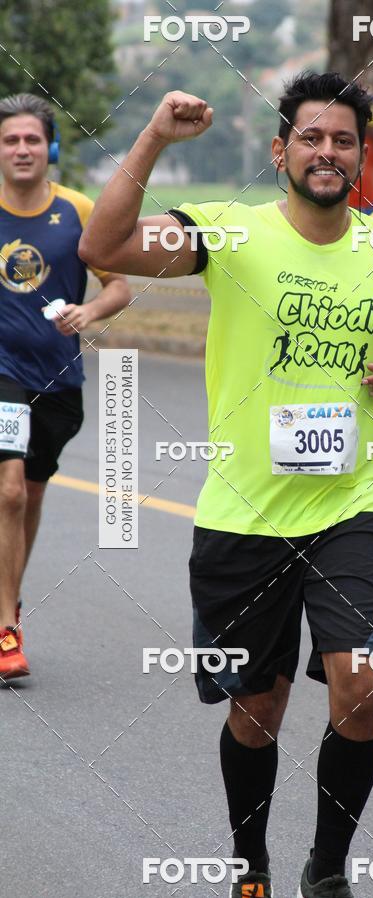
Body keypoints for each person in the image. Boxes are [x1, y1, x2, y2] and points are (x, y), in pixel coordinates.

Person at [79, 73, 373, 898]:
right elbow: (103, 249)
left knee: (362, 685)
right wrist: (156, 140)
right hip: (243, 515)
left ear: (360, 157)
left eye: (342, 140)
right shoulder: (228, 234)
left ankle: (329, 870)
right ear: (281, 151)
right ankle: (252, 869)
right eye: (310, 137)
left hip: (353, 503)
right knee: (257, 714)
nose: (327, 151)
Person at [0, 93, 130, 680]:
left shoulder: (77, 208)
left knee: (29, 495)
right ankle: (6, 630)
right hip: (3, 374)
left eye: (31, 139)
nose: (21, 149)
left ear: (49, 147)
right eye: (10, 140)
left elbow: (118, 285)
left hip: (58, 380)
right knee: (8, 492)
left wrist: (90, 310)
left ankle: (8, 601)